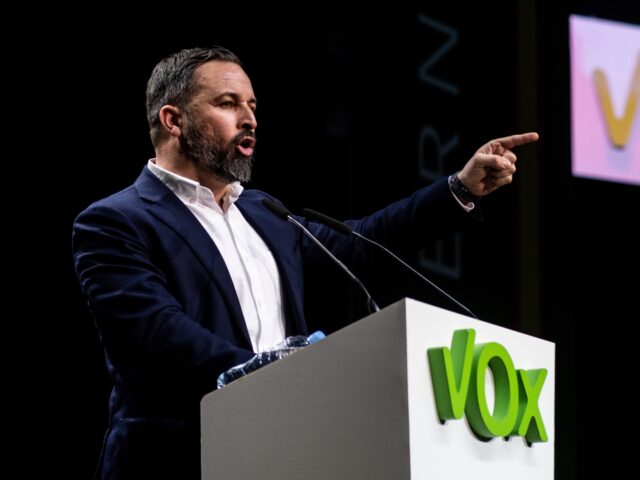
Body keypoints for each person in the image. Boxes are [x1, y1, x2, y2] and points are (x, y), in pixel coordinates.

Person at [72, 46, 538, 479]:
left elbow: (362, 242)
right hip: (175, 459)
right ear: (173, 120)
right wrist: (266, 376)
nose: (249, 119)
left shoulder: (263, 213)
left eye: (253, 106)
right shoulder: (115, 222)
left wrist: (457, 188)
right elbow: (156, 330)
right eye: (229, 104)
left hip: (281, 450)